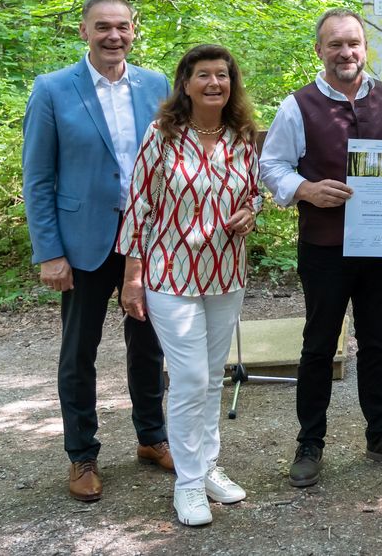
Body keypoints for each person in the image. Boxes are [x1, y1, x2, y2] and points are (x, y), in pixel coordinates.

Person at [260, 7, 382, 488]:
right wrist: (305, 189)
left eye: (353, 43)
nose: (346, 52)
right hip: (324, 246)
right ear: (319, 50)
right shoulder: (297, 105)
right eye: (335, 44)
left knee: (378, 342)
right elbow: (271, 166)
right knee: (318, 345)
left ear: (365, 47)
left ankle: (381, 433)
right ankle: (310, 441)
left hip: (380, 246)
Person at [22, 0, 173, 502]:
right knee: (78, 353)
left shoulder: (156, 85)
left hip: (148, 240)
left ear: (134, 30)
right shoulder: (52, 89)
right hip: (82, 243)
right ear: (84, 30)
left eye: (122, 27)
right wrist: (49, 251)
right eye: (102, 26)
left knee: (149, 347)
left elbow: (175, 163)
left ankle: (152, 438)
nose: (114, 35)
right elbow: (38, 177)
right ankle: (82, 455)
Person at [117, 45, 260, 526]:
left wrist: (249, 214)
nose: (214, 83)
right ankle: (188, 483)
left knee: (213, 375)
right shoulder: (163, 134)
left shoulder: (241, 135)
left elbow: (252, 193)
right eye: (204, 75)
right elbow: (138, 205)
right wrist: (132, 278)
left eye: (222, 75)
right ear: (185, 83)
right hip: (170, 274)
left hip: (225, 271)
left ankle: (208, 466)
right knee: (191, 378)